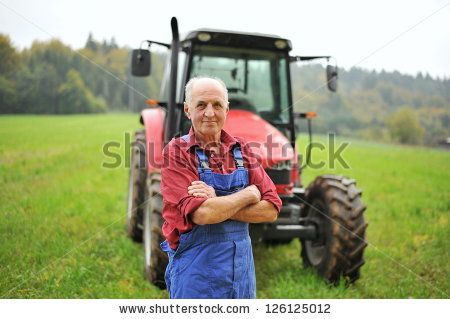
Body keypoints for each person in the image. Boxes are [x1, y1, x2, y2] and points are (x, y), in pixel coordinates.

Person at [160, 76, 282, 299]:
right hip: (196, 274)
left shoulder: (242, 149)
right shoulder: (177, 152)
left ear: (227, 109)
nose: (209, 112)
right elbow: (203, 213)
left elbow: (272, 209)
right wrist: (248, 194)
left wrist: (218, 200)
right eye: (201, 105)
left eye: (217, 105)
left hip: (241, 276)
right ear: (188, 110)